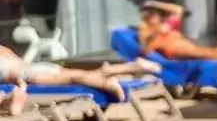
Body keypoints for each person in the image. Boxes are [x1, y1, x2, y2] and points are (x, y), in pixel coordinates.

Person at [0, 43, 140, 101]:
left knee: (74, 77)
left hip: (30, 74)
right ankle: (113, 72)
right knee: (73, 75)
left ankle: (108, 79)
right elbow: (12, 56)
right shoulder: (3, 51)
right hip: (35, 68)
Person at [136, 1, 217, 62]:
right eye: (150, 14)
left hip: (186, 49)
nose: (153, 15)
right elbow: (145, 51)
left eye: (155, 13)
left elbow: (178, 10)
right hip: (176, 54)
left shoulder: (164, 26)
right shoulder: (145, 29)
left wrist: (154, 3)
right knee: (209, 53)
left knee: (210, 52)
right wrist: (158, 35)